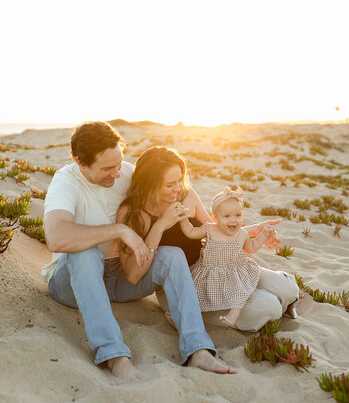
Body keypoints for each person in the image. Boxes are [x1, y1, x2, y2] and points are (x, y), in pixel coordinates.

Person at [42, 121, 236, 381]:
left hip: (123, 277)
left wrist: (229, 217)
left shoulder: (125, 173)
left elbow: (173, 189)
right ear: (80, 162)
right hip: (73, 283)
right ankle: (114, 356)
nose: (117, 173)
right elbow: (56, 237)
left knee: (172, 255)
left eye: (119, 163)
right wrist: (119, 231)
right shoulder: (66, 182)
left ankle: (197, 348)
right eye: (107, 168)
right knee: (85, 253)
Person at [118, 146, 299, 333]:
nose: (178, 189)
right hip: (183, 289)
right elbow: (133, 275)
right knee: (270, 307)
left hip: (217, 269)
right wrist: (161, 225)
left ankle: (278, 300)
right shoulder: (133, 213)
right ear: (150, 184)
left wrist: (256, 231)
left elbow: (218, 233)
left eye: (180, 181)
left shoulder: (186, 195)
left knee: (287, 289)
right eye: (170, 185)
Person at [179, 186, 279, 328]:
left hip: (234, 272)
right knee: (194, 294)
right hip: (209, 273)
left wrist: (263, 234)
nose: (233, 220)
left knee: (239, 291)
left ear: (242, 216)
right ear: (215, 218)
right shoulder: (209, 229)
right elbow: (190, 232)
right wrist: (184, 219)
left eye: (237, 215)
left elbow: (251, 248)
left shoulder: (242, 233)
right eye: (226, 216)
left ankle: (234, 313)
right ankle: (182, 314)